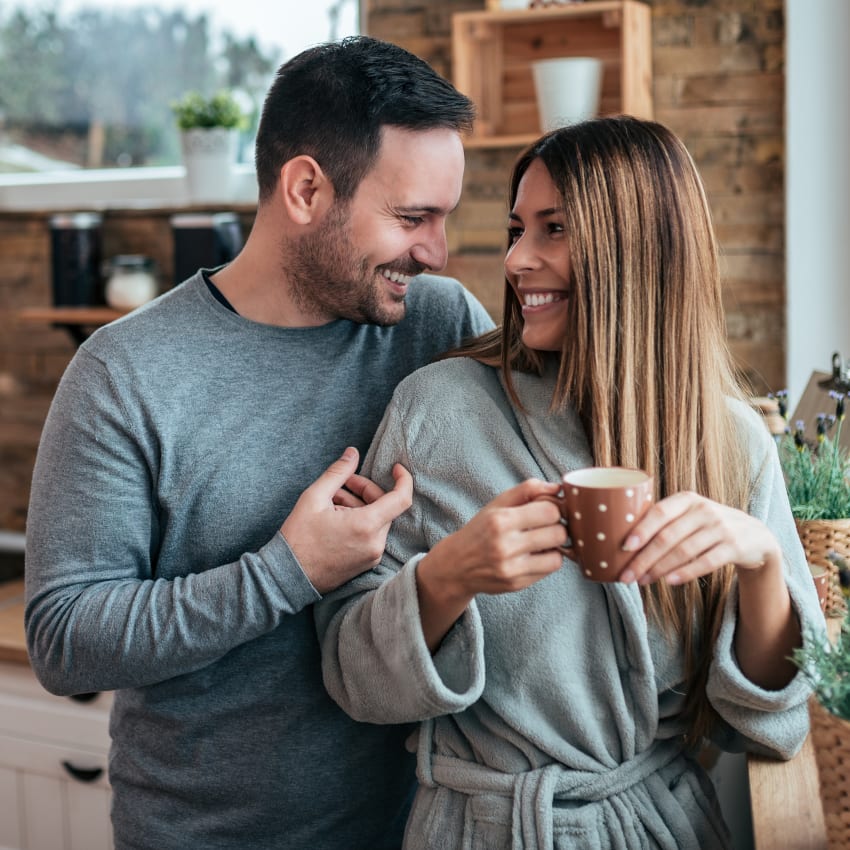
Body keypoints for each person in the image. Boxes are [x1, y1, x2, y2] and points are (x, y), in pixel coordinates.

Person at [25, 36, 494, 850]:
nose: (435, 252)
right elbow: (64, 637)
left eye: (442, 218)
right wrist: (289, 571)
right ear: (307, 189)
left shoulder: (439, 324)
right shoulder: (126, 372)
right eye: (411, 217)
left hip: (416, 830)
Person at [316, 116, 826, 849]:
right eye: (518, 227)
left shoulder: (729, 443)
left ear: (640, 249)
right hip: (481, 828)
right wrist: (448, 578)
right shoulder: (441, 408)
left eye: (554, 229)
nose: (517, 259)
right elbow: (350, 674)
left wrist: (762, 564)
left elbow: (773, 727)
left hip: (657, 828)